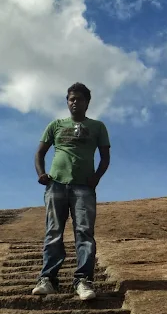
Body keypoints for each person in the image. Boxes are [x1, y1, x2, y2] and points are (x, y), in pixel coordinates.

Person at [31, 82, 110, 301]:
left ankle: (83, 280)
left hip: (84, 187)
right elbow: (39, 153)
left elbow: (105, 157)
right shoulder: (56, 125)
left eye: (79, 99)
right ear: (67, 102)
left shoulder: (97, 126)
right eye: (71, 99)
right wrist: (41, 173)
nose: (74, 102)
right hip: (56, 184)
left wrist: (96, 177)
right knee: (53, 231)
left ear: (87, 103)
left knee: (84, 232)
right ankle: (47, 279)